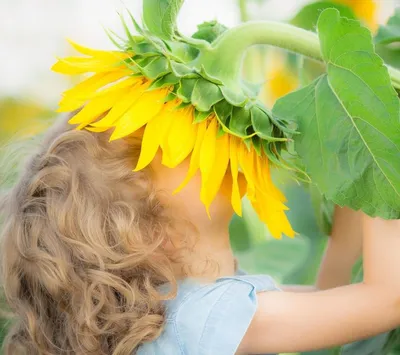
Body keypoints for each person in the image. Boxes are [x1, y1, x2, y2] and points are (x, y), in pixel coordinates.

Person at [1, 115, 399, 355]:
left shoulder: (187, 315)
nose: (200, 139)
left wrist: (358, 181)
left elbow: (338, 299)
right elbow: (385, 300)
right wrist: (376, 143)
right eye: (171, 149)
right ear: (145, 233)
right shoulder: (208, 316)